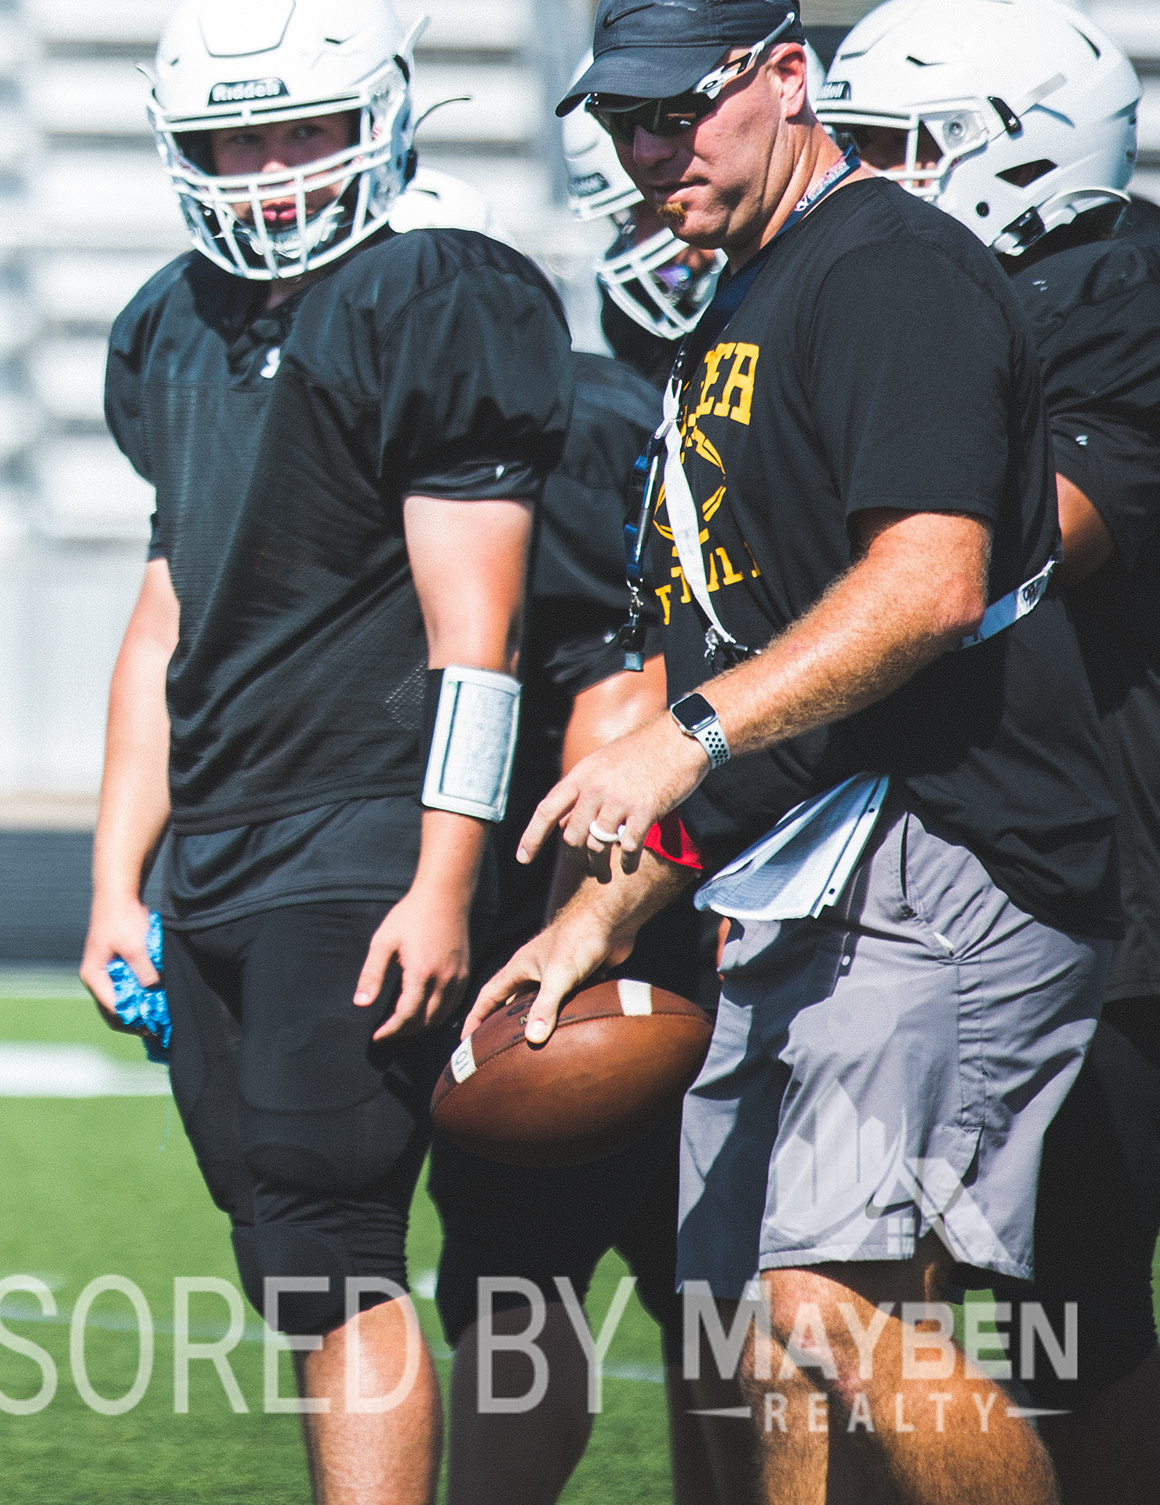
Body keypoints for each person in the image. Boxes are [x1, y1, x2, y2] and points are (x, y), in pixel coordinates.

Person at [478, 0, 1122, 1505]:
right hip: (805, 861)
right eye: (623, 122)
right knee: (753, 1334)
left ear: (786, 78)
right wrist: (600, 915)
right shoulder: (743, 293)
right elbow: (763, 651)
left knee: (838, 1309)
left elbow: (927, 586)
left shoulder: (888, 267)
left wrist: (684, 737)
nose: (651, 151)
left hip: (948, 852)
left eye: (678, 112)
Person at [83, 0, 571, 1505]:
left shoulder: (431, 295)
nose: (271, 173)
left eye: (303, 130)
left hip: (360, 824)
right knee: (291, 1258)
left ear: (382, 118)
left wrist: (441, 878)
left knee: (337, 1238)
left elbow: (479, 640)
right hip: (222, 843)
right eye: (236, 139)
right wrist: (114, 882)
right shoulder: (172, 322)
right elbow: (165, 621)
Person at [828, 0, 1160, 1505]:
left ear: (1024, 149)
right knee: (843, 1283)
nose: (857, 179)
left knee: (1069, 1308)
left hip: (1094, 865)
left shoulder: (1143, 302)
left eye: (897, 145)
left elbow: (1005, 553)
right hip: (892, 852)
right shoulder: (888, 295)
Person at [428, 117, 725, 1505]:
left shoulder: (573, 420)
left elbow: (622, 694)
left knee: (539, 1284)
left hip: (617, 900)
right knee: (706, 1299)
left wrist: (575, 931)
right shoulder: (632, 400)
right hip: (673, 884)